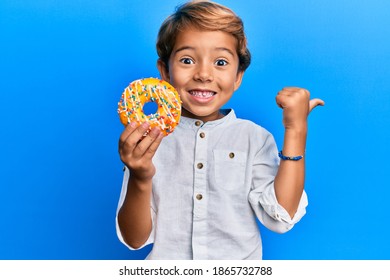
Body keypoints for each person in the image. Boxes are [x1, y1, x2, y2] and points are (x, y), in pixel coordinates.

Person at [116, 0, 324, 260]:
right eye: (187, 59)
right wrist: (140, 176)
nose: (204, 74)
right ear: (165, 73)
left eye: (221, 62)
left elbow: (280, 218)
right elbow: (135, 239)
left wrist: (296, 129)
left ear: (238, 76)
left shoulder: (254, 139)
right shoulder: (147, 141)